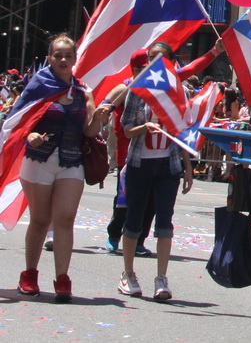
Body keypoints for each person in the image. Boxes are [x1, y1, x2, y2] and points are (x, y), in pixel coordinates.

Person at [7, 35, 110, 302]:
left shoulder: (83, 91)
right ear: (50, 58)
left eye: (68, 55)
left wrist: (97, 119)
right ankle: (29, 274)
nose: (63, 60)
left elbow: (88, 130)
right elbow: (18, 122)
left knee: (65, 218)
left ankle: (63, 280)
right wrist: (31, 136)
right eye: (58, 55)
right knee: (40, 220)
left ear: (75, 59)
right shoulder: (38, 85)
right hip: (38, 160)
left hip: (72, 160)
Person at [117, 41, 196, 301]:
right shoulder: (136, 91)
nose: (155, 62)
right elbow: (127, 129)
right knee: (134, 220)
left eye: (161, 58)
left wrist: (187, 167)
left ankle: (161, 278)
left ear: (171, 62)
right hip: (140, 164)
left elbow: (182, 132)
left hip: (167, 166)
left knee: (165, 221)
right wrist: (145, 127)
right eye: (151, 58)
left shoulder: (179, 91)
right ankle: (128, 273)